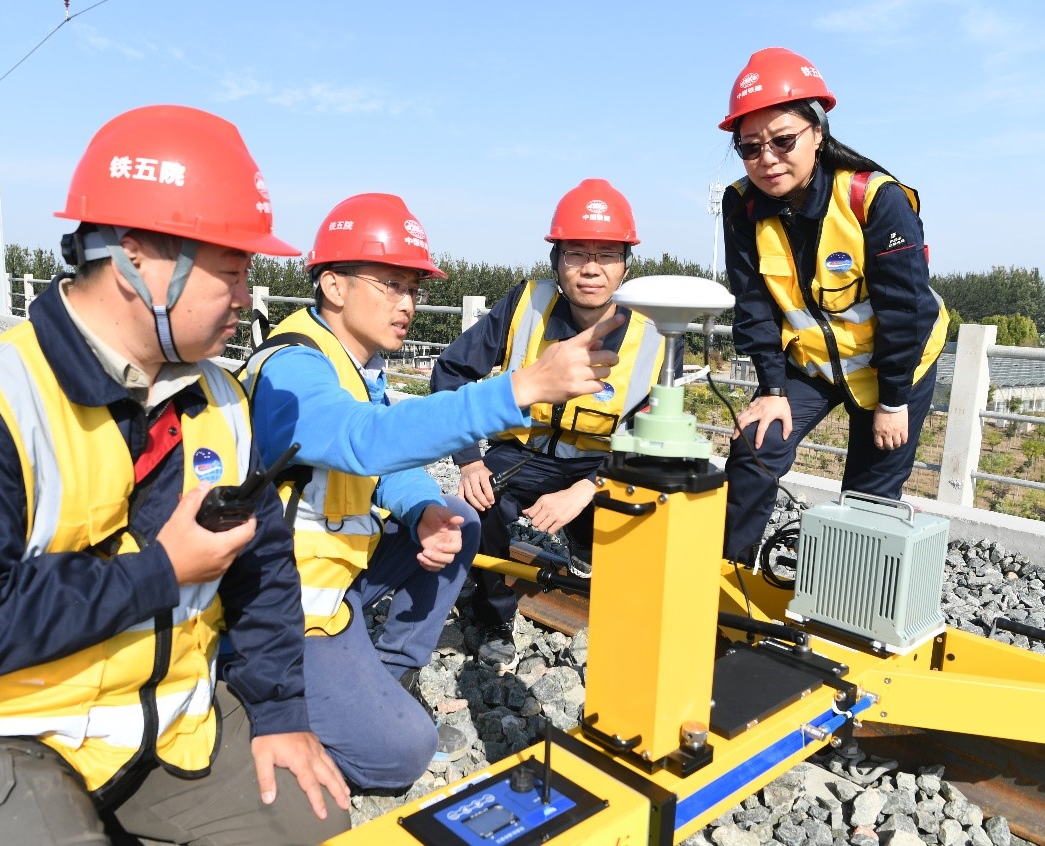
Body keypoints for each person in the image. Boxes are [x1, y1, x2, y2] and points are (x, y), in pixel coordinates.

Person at [0, 105, 352, 845]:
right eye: (232, 270)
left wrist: (280, 712)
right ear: (136, 261)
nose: (247, 297)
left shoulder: (221, 399)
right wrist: (159, 573)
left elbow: (264, 569)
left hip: (167, 725)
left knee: (316, 821)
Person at [241, 192, 622, 790]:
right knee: (402, 753)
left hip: (333, 574)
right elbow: (363, 439)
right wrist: (518, 389)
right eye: (391, 284)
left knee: (455, 519)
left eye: (414, 288)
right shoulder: (293, 368)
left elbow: (383, 461)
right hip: (284, 604)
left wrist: (421, 508)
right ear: (333, 285)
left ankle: (385, 673)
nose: (408, 304)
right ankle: (257, 706)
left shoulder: (355, 360)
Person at [717, 48, 949, 566]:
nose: (767, 159)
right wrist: (771, 390)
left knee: (868, 501)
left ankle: (840, 603)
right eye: (750, 147)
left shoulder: (874, 198)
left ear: (818, 133)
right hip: (813, 364)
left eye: (783, 140)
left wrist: (893, 401)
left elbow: (905, 312)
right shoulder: (742, 205)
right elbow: (753, 305)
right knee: (756, 445)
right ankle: (727, 578)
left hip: (894, 365)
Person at [430, 178, 670, 668]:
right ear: (556, 260)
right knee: (479, 503)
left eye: (606, 255)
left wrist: (586, 489)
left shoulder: (656, 334)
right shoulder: (526, 307)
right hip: (523, 455)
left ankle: (591, 547)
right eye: (576, 253)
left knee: (648, 510)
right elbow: (451, 372)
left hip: (602, 465)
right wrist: (469, 460)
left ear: (626, 265)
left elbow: (653, 440)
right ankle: (493, 613)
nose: (591, 268)